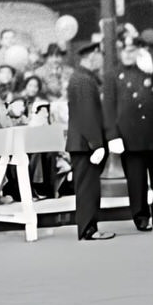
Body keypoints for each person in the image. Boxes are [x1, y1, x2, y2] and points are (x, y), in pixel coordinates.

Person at [114, 35, 153, 230]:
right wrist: (114, 136)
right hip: (132, 136)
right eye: (127, 50)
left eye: (135, 50)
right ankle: (141, 218)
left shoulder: (148, 70)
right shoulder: (116, 75)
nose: (131, 54)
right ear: (121, 52)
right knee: (137, 181)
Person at [67, 38, 117, 240]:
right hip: (85, 143)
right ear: (92, 56)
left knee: (89, 186)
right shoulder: (83, 80)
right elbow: (87, 114)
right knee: (88, 188)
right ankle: (88, 228)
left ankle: (90, 226)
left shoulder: (84, 78)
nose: (101, 60)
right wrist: (96, 144)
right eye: (99, 55)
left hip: (83, 142)